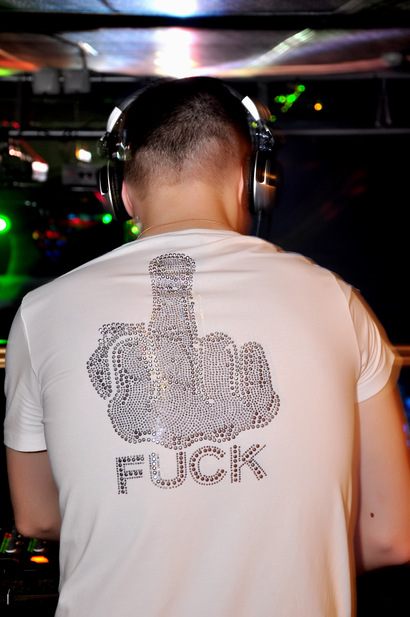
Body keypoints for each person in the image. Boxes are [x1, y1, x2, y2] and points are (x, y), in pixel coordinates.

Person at [4, 76, 410, 617]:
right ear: (252, 183)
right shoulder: (340, 302)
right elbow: (390, 536)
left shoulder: (41, 313)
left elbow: (36, 516)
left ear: (120, 191)